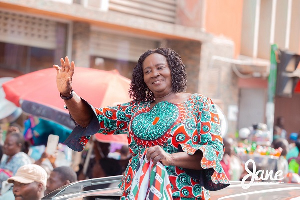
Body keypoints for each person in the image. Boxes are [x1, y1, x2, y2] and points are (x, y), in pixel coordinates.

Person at [54, 47, 229, 199]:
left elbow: (213, 152)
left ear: (173, 70)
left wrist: (170, 158)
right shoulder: (135, 109)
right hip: (138, 192)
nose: (154, 74)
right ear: (142, 78)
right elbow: (90, 119)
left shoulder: (199, 104)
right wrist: (68, 93)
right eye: (147, 71)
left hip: (183, 194)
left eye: (160, 67)